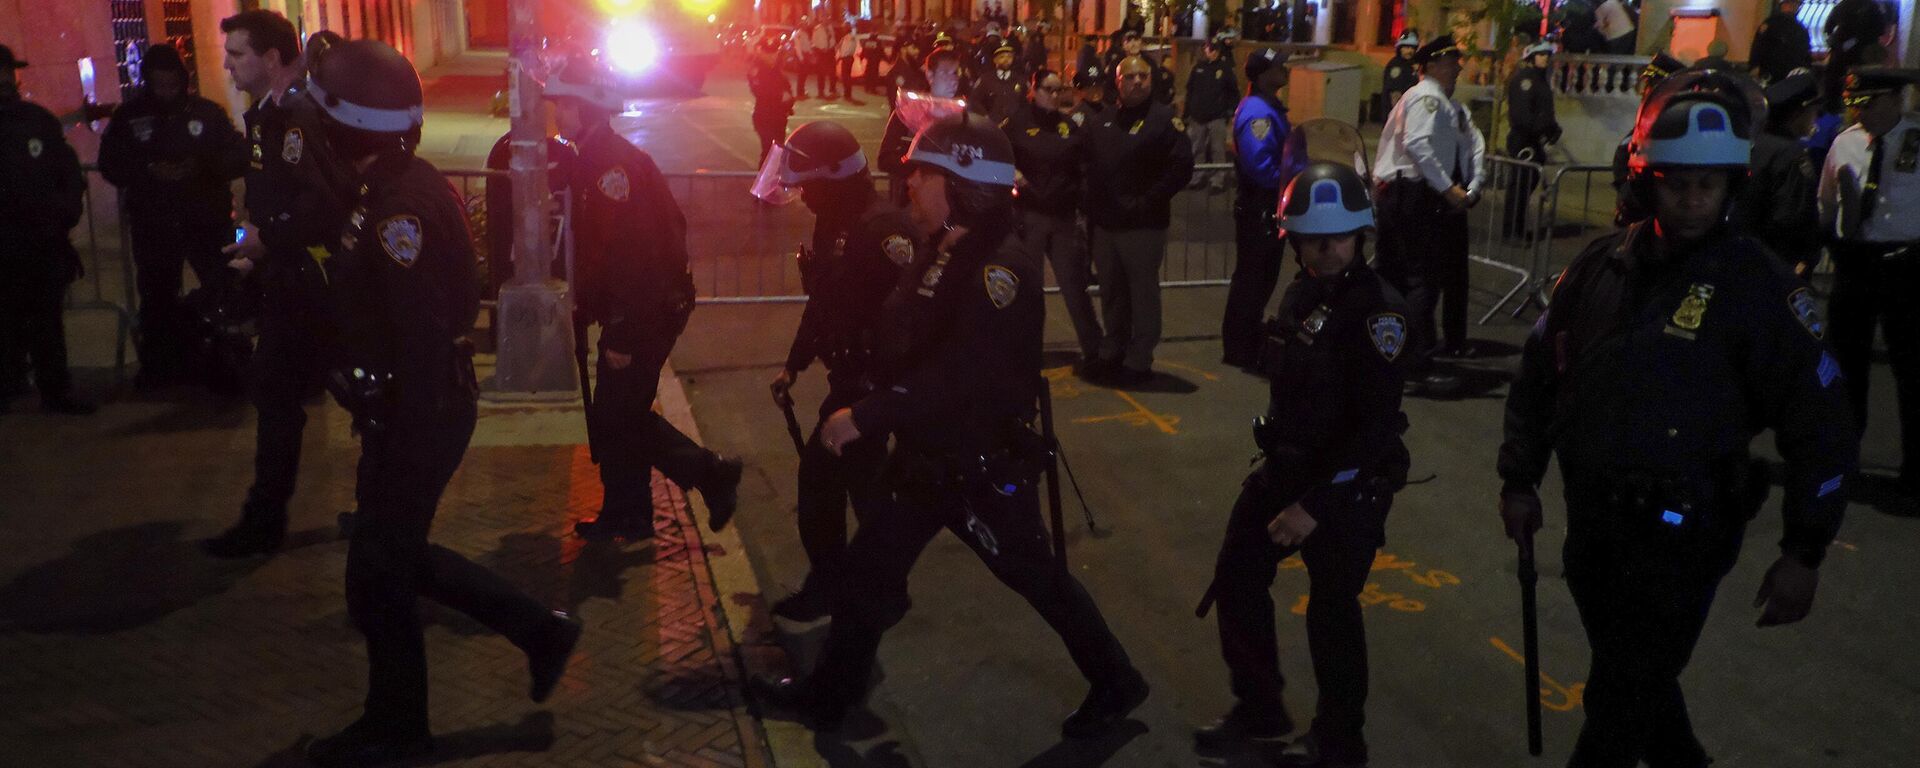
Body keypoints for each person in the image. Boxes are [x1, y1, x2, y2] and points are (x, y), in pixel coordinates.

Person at [749, 112, 1149, 738]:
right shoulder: (948, 246)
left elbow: (965, 374)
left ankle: (1118, 682)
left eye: (924, 175)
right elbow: (910, 340)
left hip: (976, 467)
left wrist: (871, 412)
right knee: (867, 573)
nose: (909, 185)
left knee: (1039, 582)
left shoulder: (999, 269)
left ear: (965, 184)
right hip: (927, 460)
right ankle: (829, 696)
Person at [1499, 70, 1858, 768]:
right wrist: (1519, 477)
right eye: (1677, 182)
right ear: (1646, 179)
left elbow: (1822, 426)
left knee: (1617, 702)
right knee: (1643, 691)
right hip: (1594, 530)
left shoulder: (1759, 288)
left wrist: (1804, 551)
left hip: (1683, 537)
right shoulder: (1599, 267)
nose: (1693, 199)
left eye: (1710, 184)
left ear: (1732, 187)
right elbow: (1539, 376)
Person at [297, 41, 584, 767]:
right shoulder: (383, 186)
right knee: (389, 563)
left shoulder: (404, 210)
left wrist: (388, 404)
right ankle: (536, 633)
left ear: (347, 127)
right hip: (406, 409)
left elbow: (424, 332)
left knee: (381, 570)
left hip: (421, 411)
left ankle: (400, 727)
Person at [1195, 162, 1408, 767]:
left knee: (1333, 609)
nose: (1327, 248)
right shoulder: (1302, 293)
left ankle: (1341, 741)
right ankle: (1260, 710)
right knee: (1236, 575)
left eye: (1339, 236)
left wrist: (1313, 505)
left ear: (1361, 235)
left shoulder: (1378, 314)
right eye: (1313, 237)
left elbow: (1376, 429)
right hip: (1286, 466)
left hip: (1344, 487)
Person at [543, 53, 744, 541]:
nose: (557, 113)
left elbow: (637, 257)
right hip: (636, 309)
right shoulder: (593, 160)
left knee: (619, 416)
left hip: (646, 312)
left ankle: (707, 472)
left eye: (565, 104)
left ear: (587, 109)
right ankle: (629, 513)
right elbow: (596, 252)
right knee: (618, 417)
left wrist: (625, 333)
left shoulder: (613, 169)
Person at [205, 10, 348, 557]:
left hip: (311, 283)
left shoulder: (295, 116)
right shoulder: (270, 113)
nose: (227, 63)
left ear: (271, 58)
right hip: (289, 278)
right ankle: (266, 518)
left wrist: (269, 239)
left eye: (237, 54)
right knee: (282, 395)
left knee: (295, 395)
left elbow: (321, 204)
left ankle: (266, 523)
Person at [757, 120, 911, 621]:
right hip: (847, 377)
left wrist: (878, 393)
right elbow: (824, 302)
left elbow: (911, 318)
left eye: (808, 186)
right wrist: (794, 364)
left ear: (834, 179)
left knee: (851, 490)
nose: (801, 197)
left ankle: (860, 591)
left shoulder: (883, 229)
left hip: (871, 385)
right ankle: (862, 588)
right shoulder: (836, 222)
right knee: (851, 489)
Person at [98, 43, 245, 390]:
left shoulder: (206, 113)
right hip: (155, 222)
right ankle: (162, 366)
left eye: (172, 84)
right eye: (159, 85)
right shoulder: (130, 117)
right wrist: (148, 170)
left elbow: (234, 153)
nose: (167, 92)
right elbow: (111, 163)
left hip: (205, 219)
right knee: (157, 295)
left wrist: (200, 165)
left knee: (220, 287)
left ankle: (224, 364)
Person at [1818, 66, 1920, 499]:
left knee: (1912, 372)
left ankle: (1914, 471)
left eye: (1871, 102)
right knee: (1845, 367)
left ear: (1897, 99)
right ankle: (1842, 460)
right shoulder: (1845, 142)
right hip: (1857, 262)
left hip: (1908, 264)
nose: (1861, 112)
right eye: (1857, 104)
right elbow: (1826, 202)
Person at [1372, 35, 1483, 394]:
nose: (1458, 66)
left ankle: (1389, 354)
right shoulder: (1427, 98)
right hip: (1413, 194)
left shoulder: (1431, 100)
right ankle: (1415, 363)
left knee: (1397, 278)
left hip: (1405, 194)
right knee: (1420, 280)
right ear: (1432, 65)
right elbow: (1418, 143)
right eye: (1452, 61)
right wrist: (1447, 188)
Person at [1082, 56, 1195, 386]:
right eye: (1129, 76)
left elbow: (1180, 168)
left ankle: (1139, 357)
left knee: (1142, 293)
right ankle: (1112, 348)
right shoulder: (1103, 119)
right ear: (1117, 82)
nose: (1136, 82)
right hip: (1106, 226)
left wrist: (1146, 201)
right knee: (1112, 292)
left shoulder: (1163, 120)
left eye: (1142, 76)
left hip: (1142, 227)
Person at [0, 42, 93, 415]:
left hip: (42, 243)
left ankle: (55, 389)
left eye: (7, 73)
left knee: (47, 322)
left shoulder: (36, 120)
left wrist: (64, 214)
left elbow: (67, 172)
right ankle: (8, 385)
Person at [1006, 67, 1100, 369]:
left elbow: (1084, 166)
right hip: (1030, 216)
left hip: (1062, 218)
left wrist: (1083, 204)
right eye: (1049, 88)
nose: (1055, 95)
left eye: (1060, 89)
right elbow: (997, 154)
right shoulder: (1018, 123)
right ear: (1034, 89)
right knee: (1029, 290)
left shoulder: (1069, 126)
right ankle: (1026, 350)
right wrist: (1013, 175)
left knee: (1074, 287)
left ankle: (1095, 350)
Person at [1221, 48, 1293, 369]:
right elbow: (1261, 167)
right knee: (1252, 281)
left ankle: (1246, 342)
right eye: (1279, 65)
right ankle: (1240, 348)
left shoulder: (1268, 107)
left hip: (1267, 206)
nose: (1286, 69)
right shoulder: (1257, 113)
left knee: (1260, 279)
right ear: (1263, 75)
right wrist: (1295, 178)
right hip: (1259, 207)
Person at [1736, 68, 1821, 277]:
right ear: (1797, 114)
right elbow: (1793, 216)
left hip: (1742, 254)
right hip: (1775, 263)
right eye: (1812, 111)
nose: (1814, 118)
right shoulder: (1791, 153)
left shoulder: (1752, 144)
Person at [880, 49, 962, 205]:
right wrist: (922, 169)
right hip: (914, 200)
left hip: (953, 202)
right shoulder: (908, 111)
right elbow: (885, 158)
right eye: (945, 73)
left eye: (955, 73)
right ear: (930, 75)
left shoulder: (965, 113)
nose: (953, 80)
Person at [1612, 52, 1684, 226]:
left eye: (1651, 84)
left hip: (1650, 206)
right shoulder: (1650, 114)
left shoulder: (1669, 118)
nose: (1646, 90)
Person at [1503, 41, 1561, 240]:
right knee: (1519, 187)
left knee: (1527, 185)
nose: (1545, 58)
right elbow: (1522, 116)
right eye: (1541, 54)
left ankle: (1517, 229)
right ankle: (1511, 232)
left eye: (1547, 54)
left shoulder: (1540, 80)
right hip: (1523, 140)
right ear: (1531, 57)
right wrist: (1543, 128)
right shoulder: (1524, 80)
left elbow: (1544, 112)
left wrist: (1553, 128)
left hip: (1534, 140)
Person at [1185, 40, 1239, 192]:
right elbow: (1190, 91)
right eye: (1210, 49)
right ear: (1205, 49)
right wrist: (1187, 113)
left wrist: (1230, 111)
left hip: (1217, 116)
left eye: (1215, 49)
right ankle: (1197, 177)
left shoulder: (1225, 69)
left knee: (1218, 149)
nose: (1213, 52)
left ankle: (1217, 181)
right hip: (1198, 116)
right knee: (1197, 148)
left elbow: (1233, 92)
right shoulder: (1198, 68)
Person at [749, 35, 796, 166]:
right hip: (764, 116)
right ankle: (763, 185)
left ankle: (773, 184)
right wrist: (781, 96)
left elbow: (787, 89)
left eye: (775, 52)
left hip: (779, 116)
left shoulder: (776, 69)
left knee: (777, 154)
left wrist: (789, 100)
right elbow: (760, 92)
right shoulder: (756, 69)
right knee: (769, 153)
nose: (772, 56)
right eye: (768, 52)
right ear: (761, 51)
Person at [1749, 0, 1812, 86]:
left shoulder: (1769, 24)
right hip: (1791, 78)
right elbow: (1805, 55)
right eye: (1796, 4)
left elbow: (1758, 47)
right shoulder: (1800, 28)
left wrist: (1754, 67)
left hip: (1769, 76)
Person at [969, 42, 1027, 125]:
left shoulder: (1019, 79)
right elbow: (974, 100)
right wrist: (985, 115)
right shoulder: (985, 79)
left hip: (1014, 124)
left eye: (1009, 57)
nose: (1006, 60)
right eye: (1002, 57)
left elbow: (1024, 101)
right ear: (995, 60)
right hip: (992, 123)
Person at [1380, 31, 1419, 119]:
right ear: (1400, 48)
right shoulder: (1396, 65)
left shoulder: (1411, 64)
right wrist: (1399, 117)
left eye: (1413, 48)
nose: (1410, 51)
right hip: (1398, 115)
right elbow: (1395, 95)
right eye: (1407, 47)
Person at [835, 22, 863, 105]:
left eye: (844, 27)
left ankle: (847, 94)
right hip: (846, 58)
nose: (843, 29)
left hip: (847, 58)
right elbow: (839, 47)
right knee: (845, 77)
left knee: (846, 77)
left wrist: (842, 56)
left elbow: (848, 49)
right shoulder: (845, 37)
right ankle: (847, 93)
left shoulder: (851, 37)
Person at [792, 16, 818, 99]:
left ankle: (802, 91)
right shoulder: (798, 34)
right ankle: (799, 93)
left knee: (804, 75)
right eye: (804, 24)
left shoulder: (805, 33)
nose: (806, 26)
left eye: (806, 24)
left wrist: (811, 53)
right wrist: (801, 58)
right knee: (801, 75)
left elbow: (808, 46)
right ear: (801, 25)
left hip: (806, 55)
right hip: (802, 56)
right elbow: (798, 47)